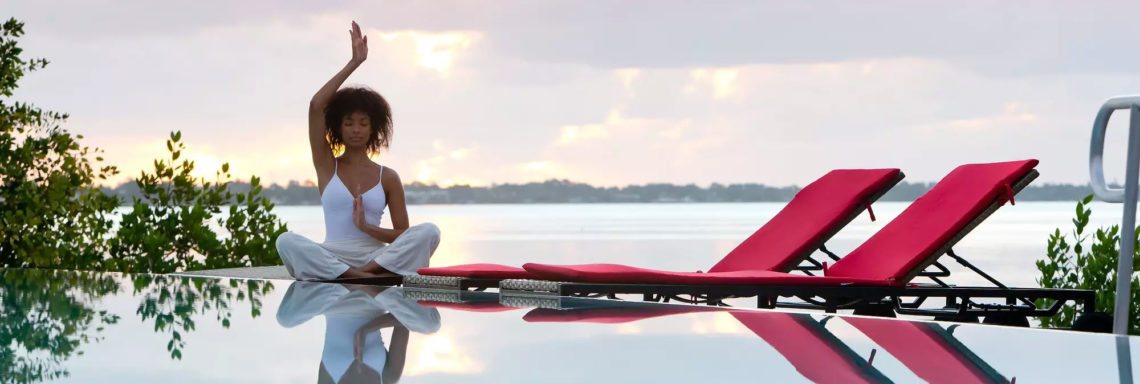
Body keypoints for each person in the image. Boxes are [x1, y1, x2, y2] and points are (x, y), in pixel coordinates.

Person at [276, 21, 441, 280]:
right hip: (333, 255)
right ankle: (362, 277)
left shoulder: (388, 177)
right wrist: (354, 63)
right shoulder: (327, 165)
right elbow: (316, 106)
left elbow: (403, 235)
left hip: (374, 257)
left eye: (363, 123)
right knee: (286, 241)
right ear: (338, 128)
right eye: (349, 123)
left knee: (430, 231)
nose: (356, 129)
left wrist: (367, 228)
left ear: (373, 129)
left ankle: (358, 275)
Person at [276, 282, 441, 383]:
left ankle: (342, 280)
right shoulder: (388, 379)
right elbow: (405, 319)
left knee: (285, 318)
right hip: (372, 294)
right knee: (431, 324)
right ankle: (362, 279)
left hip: (333, 297)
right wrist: (368, 328)